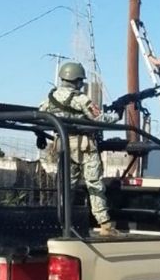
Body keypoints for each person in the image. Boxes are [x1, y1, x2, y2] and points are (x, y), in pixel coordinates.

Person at [39, 62, 117, 237]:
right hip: (84, 147)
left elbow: (40, 115)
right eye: (81, 80)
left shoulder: (50, 98)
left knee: (66, 185)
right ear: (76, 80)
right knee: (94, 184)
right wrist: (117, 116)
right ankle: (105, 224)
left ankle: (60, 220)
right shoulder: (81, 99)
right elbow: (99, 118)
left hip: (64, 146)